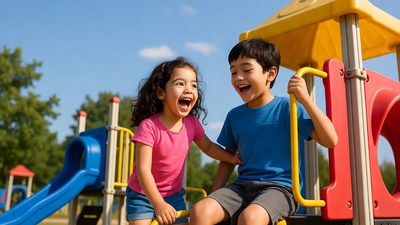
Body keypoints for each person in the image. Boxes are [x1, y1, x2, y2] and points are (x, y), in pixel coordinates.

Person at [189, 38, 338, 225]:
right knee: (200, 211)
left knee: (250, 218)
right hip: (241, 187)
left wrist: (306, 100)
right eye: (233, 72)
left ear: (271, 73)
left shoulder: (288, 107)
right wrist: (215, 193)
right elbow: (228, 158)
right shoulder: (235, 116)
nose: (238, 78)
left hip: (280, 189)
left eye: (246, 70)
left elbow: (330, 140)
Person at [126, 56, 242, 225]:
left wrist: (230, 158)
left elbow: (208, 147)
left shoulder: (191, 124)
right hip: (143, 195)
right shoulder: (149, 126)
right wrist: (158, 204)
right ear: (161, 92)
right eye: (180, 83)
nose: (189, 89)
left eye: (193, 85)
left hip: (174, 195)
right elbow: (143, 169)